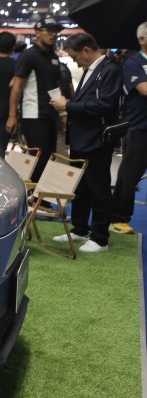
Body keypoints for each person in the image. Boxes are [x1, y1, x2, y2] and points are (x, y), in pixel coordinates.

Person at [49, 32, 123, 252]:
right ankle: (80, 228)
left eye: (75, 56)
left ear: (87, 51)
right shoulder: (92, 70)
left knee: (98, 188)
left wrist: (68, 106)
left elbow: (105, 105)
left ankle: (100, 238)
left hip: (96, 139)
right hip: (82, 137)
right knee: (81, 187)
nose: (74, 61)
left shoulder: (110, 70)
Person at [7, 17, 63, 182]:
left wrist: (62, 113)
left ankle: (40, 195)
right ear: (37, 32)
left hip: (50, 114)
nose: (53, 34)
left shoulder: (53, 56)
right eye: (49, 30)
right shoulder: (29, 55)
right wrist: (12, 115)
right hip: (33, 115)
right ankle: (30, 193)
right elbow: (16, 86)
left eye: (56, 31)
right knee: (39, 160)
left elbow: (54, 86)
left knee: (49, 159)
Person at [111, 21, 147, 234]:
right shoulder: (134, 62)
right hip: (139, 127)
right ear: (142, 39)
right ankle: (119, 217)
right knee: (130, 174)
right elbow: (144, 89)